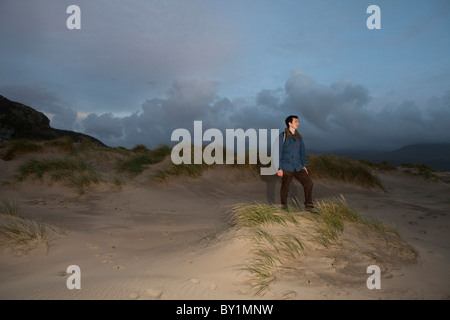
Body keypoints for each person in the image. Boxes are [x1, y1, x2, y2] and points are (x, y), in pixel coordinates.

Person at [277, 115, 315, 211]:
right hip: (286, 166)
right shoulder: (282, 136)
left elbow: (302, 153)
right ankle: (284, 207)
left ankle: (308, 206)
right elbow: (277, 153)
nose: (298, 123)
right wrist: (278, 168)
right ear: (290, 123)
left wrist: (304, 166)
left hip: (298, 166)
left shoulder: (299, 138)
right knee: (285, 188)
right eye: (296, 121)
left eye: (298, 121)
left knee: (309, 183)